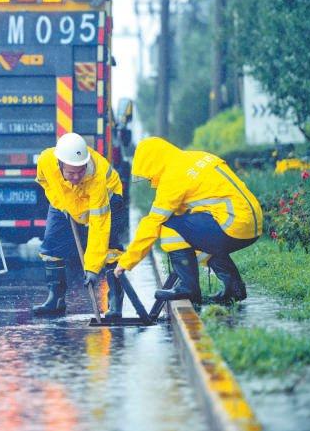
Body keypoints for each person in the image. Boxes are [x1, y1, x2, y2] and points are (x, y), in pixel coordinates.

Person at [113, 137, 263, 305]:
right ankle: (234, 288)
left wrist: (125, 262)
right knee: (195, 236)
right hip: (251, 223)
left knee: (169, 226)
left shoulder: (172, 176)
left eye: (149, 176)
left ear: (153, 164)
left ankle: (188, 288)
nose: (150, 181)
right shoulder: (195, 157)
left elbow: (153, 222)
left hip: (232, 225)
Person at [33, 133, 126, 317]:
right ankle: (56, 299)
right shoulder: (45, 160)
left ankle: (115, 302)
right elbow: (44, 182)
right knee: (52, 246)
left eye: (80, 171)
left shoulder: (96, 177)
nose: (76, 176)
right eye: (70, 172)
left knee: (109, 249)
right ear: (59, 165)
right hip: (66, 201)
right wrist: (61, 203)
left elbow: (99, 226)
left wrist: (91, 268)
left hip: (110, 199)